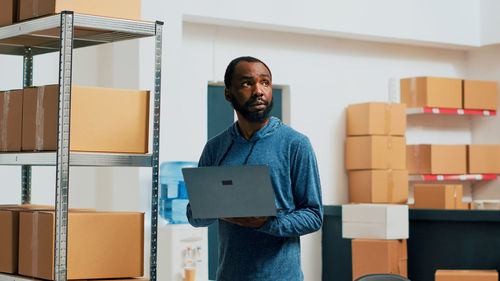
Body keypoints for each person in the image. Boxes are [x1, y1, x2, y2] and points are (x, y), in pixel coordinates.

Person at [186, 56, 323, 281]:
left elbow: (313, 215)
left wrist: (267, 223)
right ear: (228, 93)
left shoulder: (295, 144)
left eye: (265, 82)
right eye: (247, 83)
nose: (258, 90)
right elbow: (194, 216)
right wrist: (216, 206)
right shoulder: (215, 148)